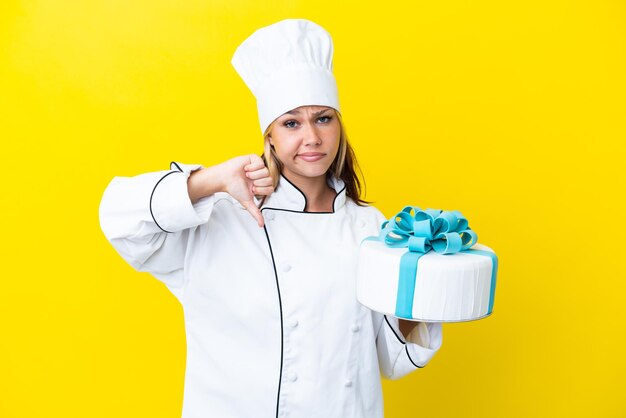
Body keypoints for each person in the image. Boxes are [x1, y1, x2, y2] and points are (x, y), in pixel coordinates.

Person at [99, 19, 442, 418]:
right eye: (292, 123)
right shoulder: (220, 218)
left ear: (339, 127)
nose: (311, 137)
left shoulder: (370, 227)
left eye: (324, 118)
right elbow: (119, 219)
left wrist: (427, 284)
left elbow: (390, 358)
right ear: (270, 138)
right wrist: (209, 180)